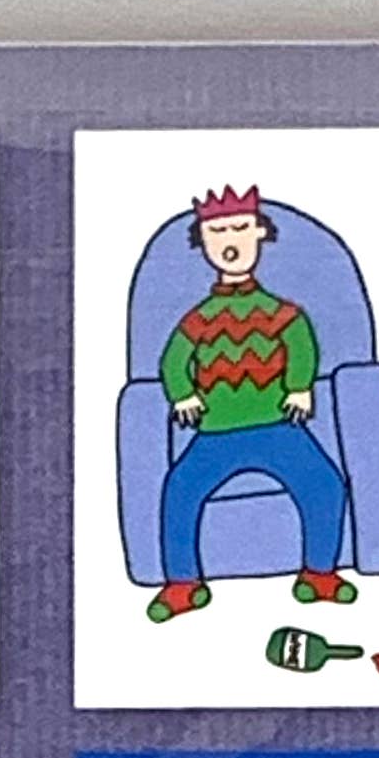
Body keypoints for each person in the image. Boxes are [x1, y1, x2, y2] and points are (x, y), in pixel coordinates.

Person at [150, 185, 354, 622]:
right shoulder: (199, 319)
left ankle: (319, 574)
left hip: (279, 428)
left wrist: (299, 386)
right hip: (215, 433)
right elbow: (173, 359)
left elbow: (301, 345)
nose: (230, 241)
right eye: (218, 232)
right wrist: (182, 393)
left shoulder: (282, 312)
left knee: (325, 485)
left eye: (240, 228)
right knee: (179, 491)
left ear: (260, 232)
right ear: (203, 242)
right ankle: (183, 584)